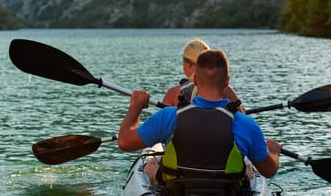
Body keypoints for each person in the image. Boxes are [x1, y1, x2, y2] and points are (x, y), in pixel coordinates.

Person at [118, 49, 281, 188]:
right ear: (227, 82)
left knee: (151, 165)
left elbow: (124, 142)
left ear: (195, 80)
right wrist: (273, 151)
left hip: (177, 194)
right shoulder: (246, 124)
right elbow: (268, 171)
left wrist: (135, 107)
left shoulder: (169, 117)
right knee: (247, 169)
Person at [162, 39, 243, 111]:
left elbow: (162, 124)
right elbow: (242, 115)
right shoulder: (226, 90)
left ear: (188, 65)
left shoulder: (173, 94)